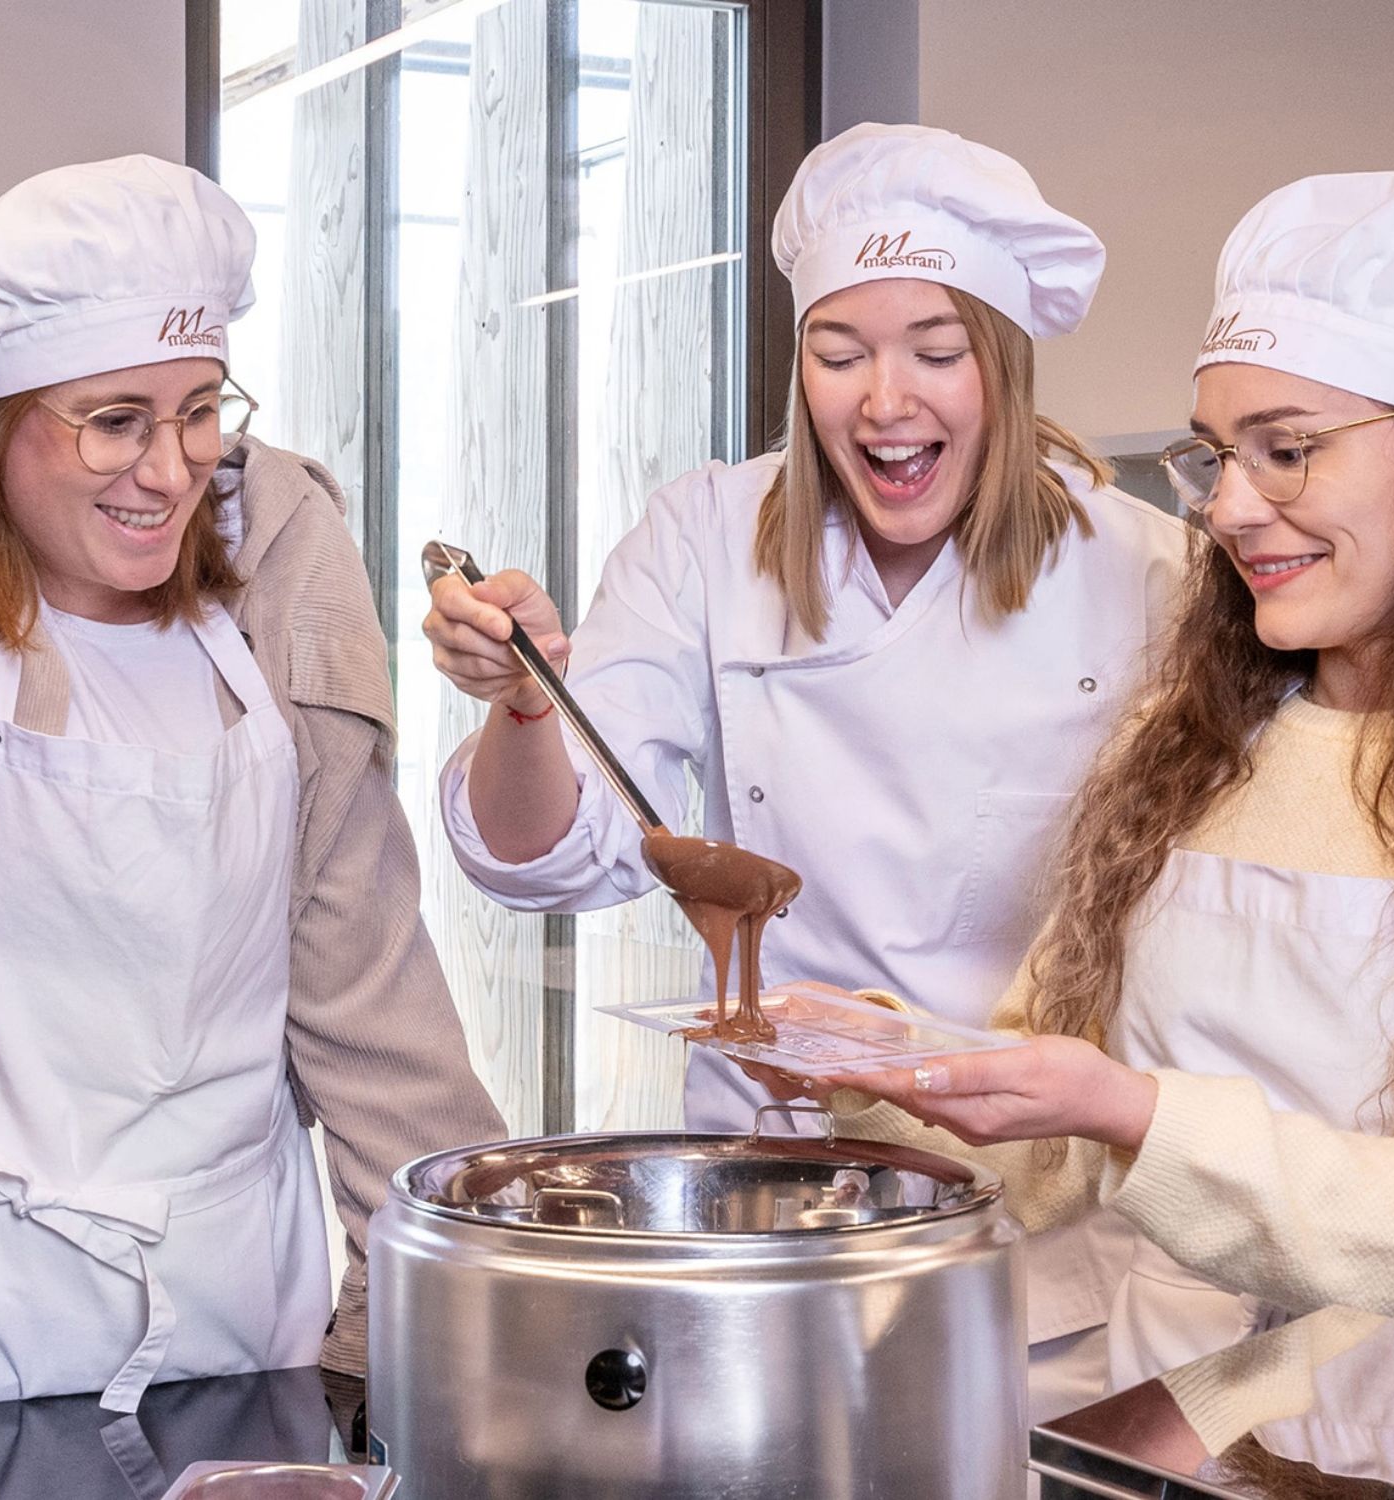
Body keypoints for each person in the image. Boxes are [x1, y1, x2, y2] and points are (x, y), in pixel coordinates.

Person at [0, 154, 505, 1418]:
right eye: (114, 419)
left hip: (242, 1312)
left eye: (201, 409)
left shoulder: (273, 544)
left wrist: (432, 1299)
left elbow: (366, 979)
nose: (168, 471)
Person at [839, 171, 1394, 1491]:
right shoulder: (1183, 753)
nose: (1228, 507)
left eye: (1286, 448)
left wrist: (1138, 1116)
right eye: (1218, 453)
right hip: (1173, 1438)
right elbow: (1066, 1132)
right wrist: (889, 1082)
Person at [425, 122, 1186, 1135]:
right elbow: (551, 859)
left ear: (1002, 368)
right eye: (838, 354)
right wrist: (522, 702)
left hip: (1030, 1194)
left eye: (936, 352)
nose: (883, 401)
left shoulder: (1146, 574)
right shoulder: (704, 534)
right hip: (774, 1164)